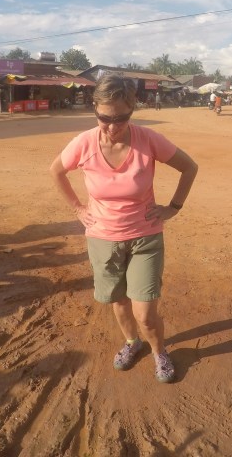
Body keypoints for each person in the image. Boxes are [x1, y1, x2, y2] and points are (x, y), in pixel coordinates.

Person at [50, 74, 198, 383]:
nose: (113, 126)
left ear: (132, 110)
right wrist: (78, 208)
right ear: (95, 110)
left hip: (145, 237)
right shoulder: (85, 143)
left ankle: (159, 352)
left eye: (121, 118)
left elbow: (189, 167)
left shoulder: (147, 139)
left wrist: (173, 208)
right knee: (118, 303)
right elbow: (57, 171)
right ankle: (132, 343)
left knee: (145, 312)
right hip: (103, 239)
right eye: (105, 118)